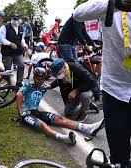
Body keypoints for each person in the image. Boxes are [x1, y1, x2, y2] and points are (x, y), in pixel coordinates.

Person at [74, 0, 131, 167]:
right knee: (119, 153)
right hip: (115, 89)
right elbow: (78, 14)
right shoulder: (109, 7)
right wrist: (113, 3)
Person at [17, 67, 105, 145]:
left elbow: (57, 82)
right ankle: (64, 138)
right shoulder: (29, 84)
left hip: (36, 112)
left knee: (60, 119)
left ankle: (88, 128)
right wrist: (21, 111)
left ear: (44, 79)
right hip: (27, 114)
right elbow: (19, 95)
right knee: (42, 125)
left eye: (41, 79)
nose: (39, 81)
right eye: (37, 79)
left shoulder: (43, 87)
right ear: (34, 77)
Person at [0, 14, 28, 87]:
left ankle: (19, 82)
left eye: (17, 19)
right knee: (8, 69)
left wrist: (24, 45)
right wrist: (9, 43)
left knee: (21, 65)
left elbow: (22, 39)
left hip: (18, 51)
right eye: (14, 19)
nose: (16, 21)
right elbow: (1, 38)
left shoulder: (21, 28)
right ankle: (8, 83)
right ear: (11, 19)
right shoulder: (5, 27)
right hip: (7, 52)